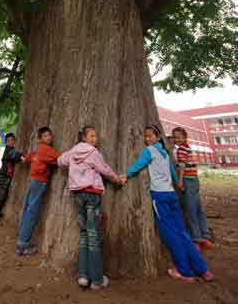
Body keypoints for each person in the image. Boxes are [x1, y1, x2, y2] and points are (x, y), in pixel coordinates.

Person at [123, 124, 214, 283]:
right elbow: (172, 171)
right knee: (182, 232)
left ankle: (185, 271)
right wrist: (177, 184)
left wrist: (125, 174)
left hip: (160, 197)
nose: (147, 138)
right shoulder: (165, 153)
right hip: (172, 195)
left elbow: (139, 164)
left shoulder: (150, 151)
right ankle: (203, 270)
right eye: (146, 136)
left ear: (158, 137)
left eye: (151, 136)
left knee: (171, 235)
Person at [58, 125, 123, 290]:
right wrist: (117, 179)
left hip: (77, 196)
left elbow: (60, 160)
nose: (96, 139)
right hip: (92, 196)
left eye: (96, 136)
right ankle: (96, 280)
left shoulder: (73, 152)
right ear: (84, 138)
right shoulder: (94, 153)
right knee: (93, 235)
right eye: (92, 136)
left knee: (84, 233)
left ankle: (83, 276)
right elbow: (105, 170)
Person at [16, 126, 60, 256]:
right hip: (39, 182)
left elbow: (29, 157)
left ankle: (22, 240)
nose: (49, 137)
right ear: (40, 138)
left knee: (28, 209)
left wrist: (24, 159)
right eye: (45, 135)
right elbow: (59, 158)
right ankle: (23, 244)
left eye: (50, 135)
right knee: (32, 211)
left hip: (32, 181)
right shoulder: (46, 149)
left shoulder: (38, 150)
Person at [172, 126, 213, 250]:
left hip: (188, 181)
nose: (176, 139)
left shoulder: (182, 150)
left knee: (191, 210)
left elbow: (182, 166)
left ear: (184, 137)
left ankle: (197, 239)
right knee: (198, 208)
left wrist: (179, 182)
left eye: (179, 137)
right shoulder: (189, 148)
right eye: (174, 137)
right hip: (195, 180)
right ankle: (206, 235)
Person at [0, 132, 23, 223]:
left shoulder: (12, 149)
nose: (11, 142)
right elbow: (15, 155)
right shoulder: (8, 150)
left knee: (3, 196)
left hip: (7, 176)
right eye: (8, 140)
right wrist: (22, 156)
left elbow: (15, 157)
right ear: (6, 142)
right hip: (3, 176)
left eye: (12, 140)